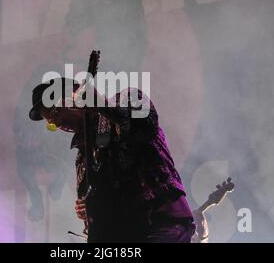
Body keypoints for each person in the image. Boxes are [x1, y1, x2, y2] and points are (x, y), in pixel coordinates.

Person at [29, 77, 195, 243]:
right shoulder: (83, 156)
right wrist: (91, 210)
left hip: (161, 221)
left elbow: (144, 125)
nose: (57, 124)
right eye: (50, 123)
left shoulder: (127, 97)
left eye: (56, 112)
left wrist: (102, 106)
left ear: (77, 95)